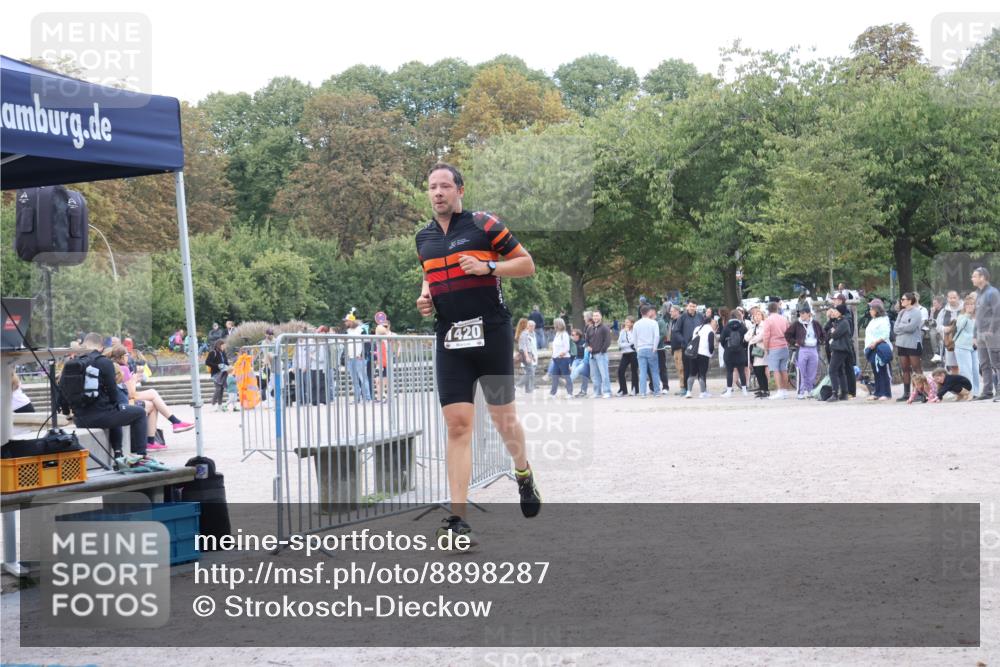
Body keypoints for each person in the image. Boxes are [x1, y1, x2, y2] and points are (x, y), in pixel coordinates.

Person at [415, 162, 540, 546]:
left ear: (460, 190)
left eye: (445, 186)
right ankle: (458, 518)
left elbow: (527, 264)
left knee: (504, 420)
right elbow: (429, 273)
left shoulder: (484, 224)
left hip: (492, 334)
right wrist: (425, 297)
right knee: (457, 426)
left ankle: (523, 473)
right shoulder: (423, 237)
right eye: (432, 187)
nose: (438, 192)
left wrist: (489, 266)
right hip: (451, 339)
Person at [62, 333, 152, 469]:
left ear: (84, 345)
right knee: (138, 413)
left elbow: (62, 391)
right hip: (100, 416)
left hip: (80, 419)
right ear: (101, 347)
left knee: (115, 411)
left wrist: (68, 413)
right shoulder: (104, 362)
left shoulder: (71, 363)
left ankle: (118, 453)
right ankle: (141, 456)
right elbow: (113, 393)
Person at [971, 267, 1000, 401]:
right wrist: (974, 334)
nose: (972, 278)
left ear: (982, 277)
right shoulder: (979, 294)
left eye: (974, 276)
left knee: (997, 363)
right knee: (984, 364)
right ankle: (987, 391)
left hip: (992, 334)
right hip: (980, 334)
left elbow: (997, 312)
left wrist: (991, 330)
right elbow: (978, 316)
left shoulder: (992, 293)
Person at [785, 306, 825, 399]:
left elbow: (823, 334)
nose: (801, 315)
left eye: (803, 313)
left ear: (809, 314)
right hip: (802, 349)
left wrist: (820, 341)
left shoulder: (815, 323)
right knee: (801, 371)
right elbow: (787, 334)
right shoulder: (797, 324)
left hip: (813, 349)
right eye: (800, 313)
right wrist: (794, 342)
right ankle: (801, 391)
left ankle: (810, 390)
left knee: (812, 371)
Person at [893, 292, 925, 401]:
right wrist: (904, 327)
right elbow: (895, 328)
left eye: (903, 299)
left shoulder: (916, 312)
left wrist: (901, 327)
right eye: (901, 299)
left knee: (916, 368)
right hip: (901, 343)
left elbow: (911, 328)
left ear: (910, 301)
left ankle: (921, 392)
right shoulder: (901, 312)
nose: (901, 301)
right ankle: (906, 393)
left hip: (913, 343)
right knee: (905, 369)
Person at [864, 299, 894, 401]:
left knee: (883, 370)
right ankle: (877, 392)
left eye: (871, 309)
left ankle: (886, 393)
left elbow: (885, 334)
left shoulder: (884, 320)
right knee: (876, 371)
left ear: (877, 309)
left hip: (880, 348)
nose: (870, 311)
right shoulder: (873, 320)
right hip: (871, 348)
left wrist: (876, 342)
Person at [761, 301, 791, 399]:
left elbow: (766, 336)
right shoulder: (784, 319)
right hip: (784, 346)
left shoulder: (768, 320)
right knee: (784, 369)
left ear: (768, 310)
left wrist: (766, 348)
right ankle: (785, 391)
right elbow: (789, 332)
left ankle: (779, 391)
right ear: (777, 309)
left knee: (775, 370)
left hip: (773, 347)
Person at [954, 294, 980, 398]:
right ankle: (968, 392)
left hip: (974, 347)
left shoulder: (977, 317)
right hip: (962, 346)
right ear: (964, 306)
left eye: (972, 304)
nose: (970, 306)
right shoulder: (961, 317)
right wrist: (967, 314)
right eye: (968, 304)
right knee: (966, 370)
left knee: (975, 370)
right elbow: (960, 326)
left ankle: (976, 392)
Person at [633, 304, 662, 397]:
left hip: (641, 349)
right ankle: (657, 391)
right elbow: (657, 336)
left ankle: (643, 392)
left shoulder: (636, 324)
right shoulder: (654, 323)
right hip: (651, 348)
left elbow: (634, 338)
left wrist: (637, 348)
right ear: (649, 312)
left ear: (641, 312)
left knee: (642, 372)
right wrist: (655, 347)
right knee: (654, 371)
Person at [825, 307, 852, 402]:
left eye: (836, 311)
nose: (834, 312)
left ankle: (835, 393)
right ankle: (844, 393)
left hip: (841, 349)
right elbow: (828, 331)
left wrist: (833, 332)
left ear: (841, 312)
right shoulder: (838, 321)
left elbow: (835, 335)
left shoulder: (844, 322)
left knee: (832, 370)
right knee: (840, 370)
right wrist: (832, 330)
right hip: (837, 348)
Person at [677, 300, 704, 395]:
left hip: (699, 347)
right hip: (687, 347)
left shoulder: (700, 316)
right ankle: (686, 388)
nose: (692, 308)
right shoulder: (682, 317)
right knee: (687, 368)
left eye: (694, 306)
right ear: (687, 307)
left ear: (696, 307)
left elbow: (704, 328)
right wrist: (683, 341)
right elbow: (676, 331)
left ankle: (703, 389)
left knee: (701, 368)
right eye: (690, 306)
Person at [721, 310, 749, 397]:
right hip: (740, 352)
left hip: (729, 352)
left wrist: (726, 347)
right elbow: (747, 340)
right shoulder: (743, 327)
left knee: (729, 372)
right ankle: (744, 391)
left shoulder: (726, 327)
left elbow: (722, 340)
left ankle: (729, 391)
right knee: (741, 371)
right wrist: (742, 347)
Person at [685, 318, 715, 398]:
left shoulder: (697, 328)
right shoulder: (710, 330)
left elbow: (691, 339)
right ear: (710, 322)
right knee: (702, 373)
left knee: (692, 373)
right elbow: (711, 345)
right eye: (713, 322)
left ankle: (688, 392)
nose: (714, 324)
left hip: (693, 353)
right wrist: (711, 353)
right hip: (703, 354)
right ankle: (702, 392)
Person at [586, 310, 613, 399]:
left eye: (597, 315)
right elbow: (586, 340)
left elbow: (608, 341)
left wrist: (602, 351)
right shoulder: (590, 328)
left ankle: (607, 392)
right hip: (592, 355)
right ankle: (597, 392)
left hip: (601, 354)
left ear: (600, 317)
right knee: (594, 375)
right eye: (594, 316)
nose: (595, 317)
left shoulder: (605, 328)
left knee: (604, 374)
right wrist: (588, 346)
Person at [745, 308, 770, 398]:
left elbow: (760, 337)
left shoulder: (764, 326)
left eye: (759, 315)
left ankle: (765, 390)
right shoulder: (753, 326)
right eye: (755, 315)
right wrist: (752, 338)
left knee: (760, 370)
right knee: (756, 371)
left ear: (762, 316)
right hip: (753, 351)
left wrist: (752, 338)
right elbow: (746, 337)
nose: (757, 317)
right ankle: (761, 389)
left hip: (761, 351)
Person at [937, 290, 963, 373]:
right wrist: (944, 328)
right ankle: (955, 381)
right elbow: (938, 326)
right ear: (947, 299)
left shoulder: (964, 309)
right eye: (950, 298)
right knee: (953, 365)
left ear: (958, 298)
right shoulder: (943, 311)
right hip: (949, 343)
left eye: (954, 298)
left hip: (963, 342)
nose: (952, 300)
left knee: (963, 365)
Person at [548, 317, 573, 398]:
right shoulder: (557, 334)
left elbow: (567, 348)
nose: (554, 325)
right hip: (555, 359)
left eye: (555, 324)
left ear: (558, 325)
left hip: (563, 359)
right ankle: (553, 393)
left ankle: (570, 393)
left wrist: (560, 355)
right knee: (554, 376)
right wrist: (553, 356)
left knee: (566, 376)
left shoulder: (564, 334)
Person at [205, 339, 230, 411]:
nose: (224, 346)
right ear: (219, 345)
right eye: (223, 345)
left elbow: (226, 362)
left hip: (224, 373)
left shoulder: (223, 352)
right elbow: (207, 362)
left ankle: (219, 405)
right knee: (218, 389)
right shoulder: (213, 352)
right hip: (216, 373)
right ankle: (213, 404)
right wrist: (217, 365)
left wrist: (228, 366)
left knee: (221, 389)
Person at [616, 316, 638, 396]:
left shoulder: (635, 331)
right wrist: (627, 345)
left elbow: (633, 341)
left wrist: (628, 333)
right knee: (620, 371)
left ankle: (635, 389)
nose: (626, 324)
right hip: (625, 353)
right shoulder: (622, 331)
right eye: (625, 322)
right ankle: (623, 390)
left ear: (632, 323)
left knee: (634, 371)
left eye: (628, 322)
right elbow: (619, 343)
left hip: (633, 353)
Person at [668, 305, 686, 395]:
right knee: (678, 369)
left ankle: (684, 388)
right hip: (675, 349)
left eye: (672, 311)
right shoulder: (673, 321)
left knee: (682, 368)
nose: (670, 312)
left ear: (677, 311)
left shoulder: (681, 321)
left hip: (680, 349)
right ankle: (682, 387)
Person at [569, 327, 591, 397]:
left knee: (581, 372)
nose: (574, 336)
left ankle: (583, 391)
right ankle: (569, 392)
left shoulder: (583, 342)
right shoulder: (571, 344)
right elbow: (571, 355)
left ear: (579, 335)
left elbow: (587, 352)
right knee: (573, 371)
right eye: (572, 335)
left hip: (584, 361)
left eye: (575, 335)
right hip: (576, 360)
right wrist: (570, 364)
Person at [517, 320, 538, 393]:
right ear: (526, 325)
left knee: (529, 372)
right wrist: (527, 356)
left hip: (529, 354)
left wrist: (533, 355)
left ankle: (528, 390)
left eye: (533, 326)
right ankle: (518, 385)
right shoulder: (524, 334)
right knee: (530, 372)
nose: (532, 327)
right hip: (525, 354)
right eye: (529, 325)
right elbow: (524, 347)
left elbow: (530, 346)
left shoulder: (528, 333)